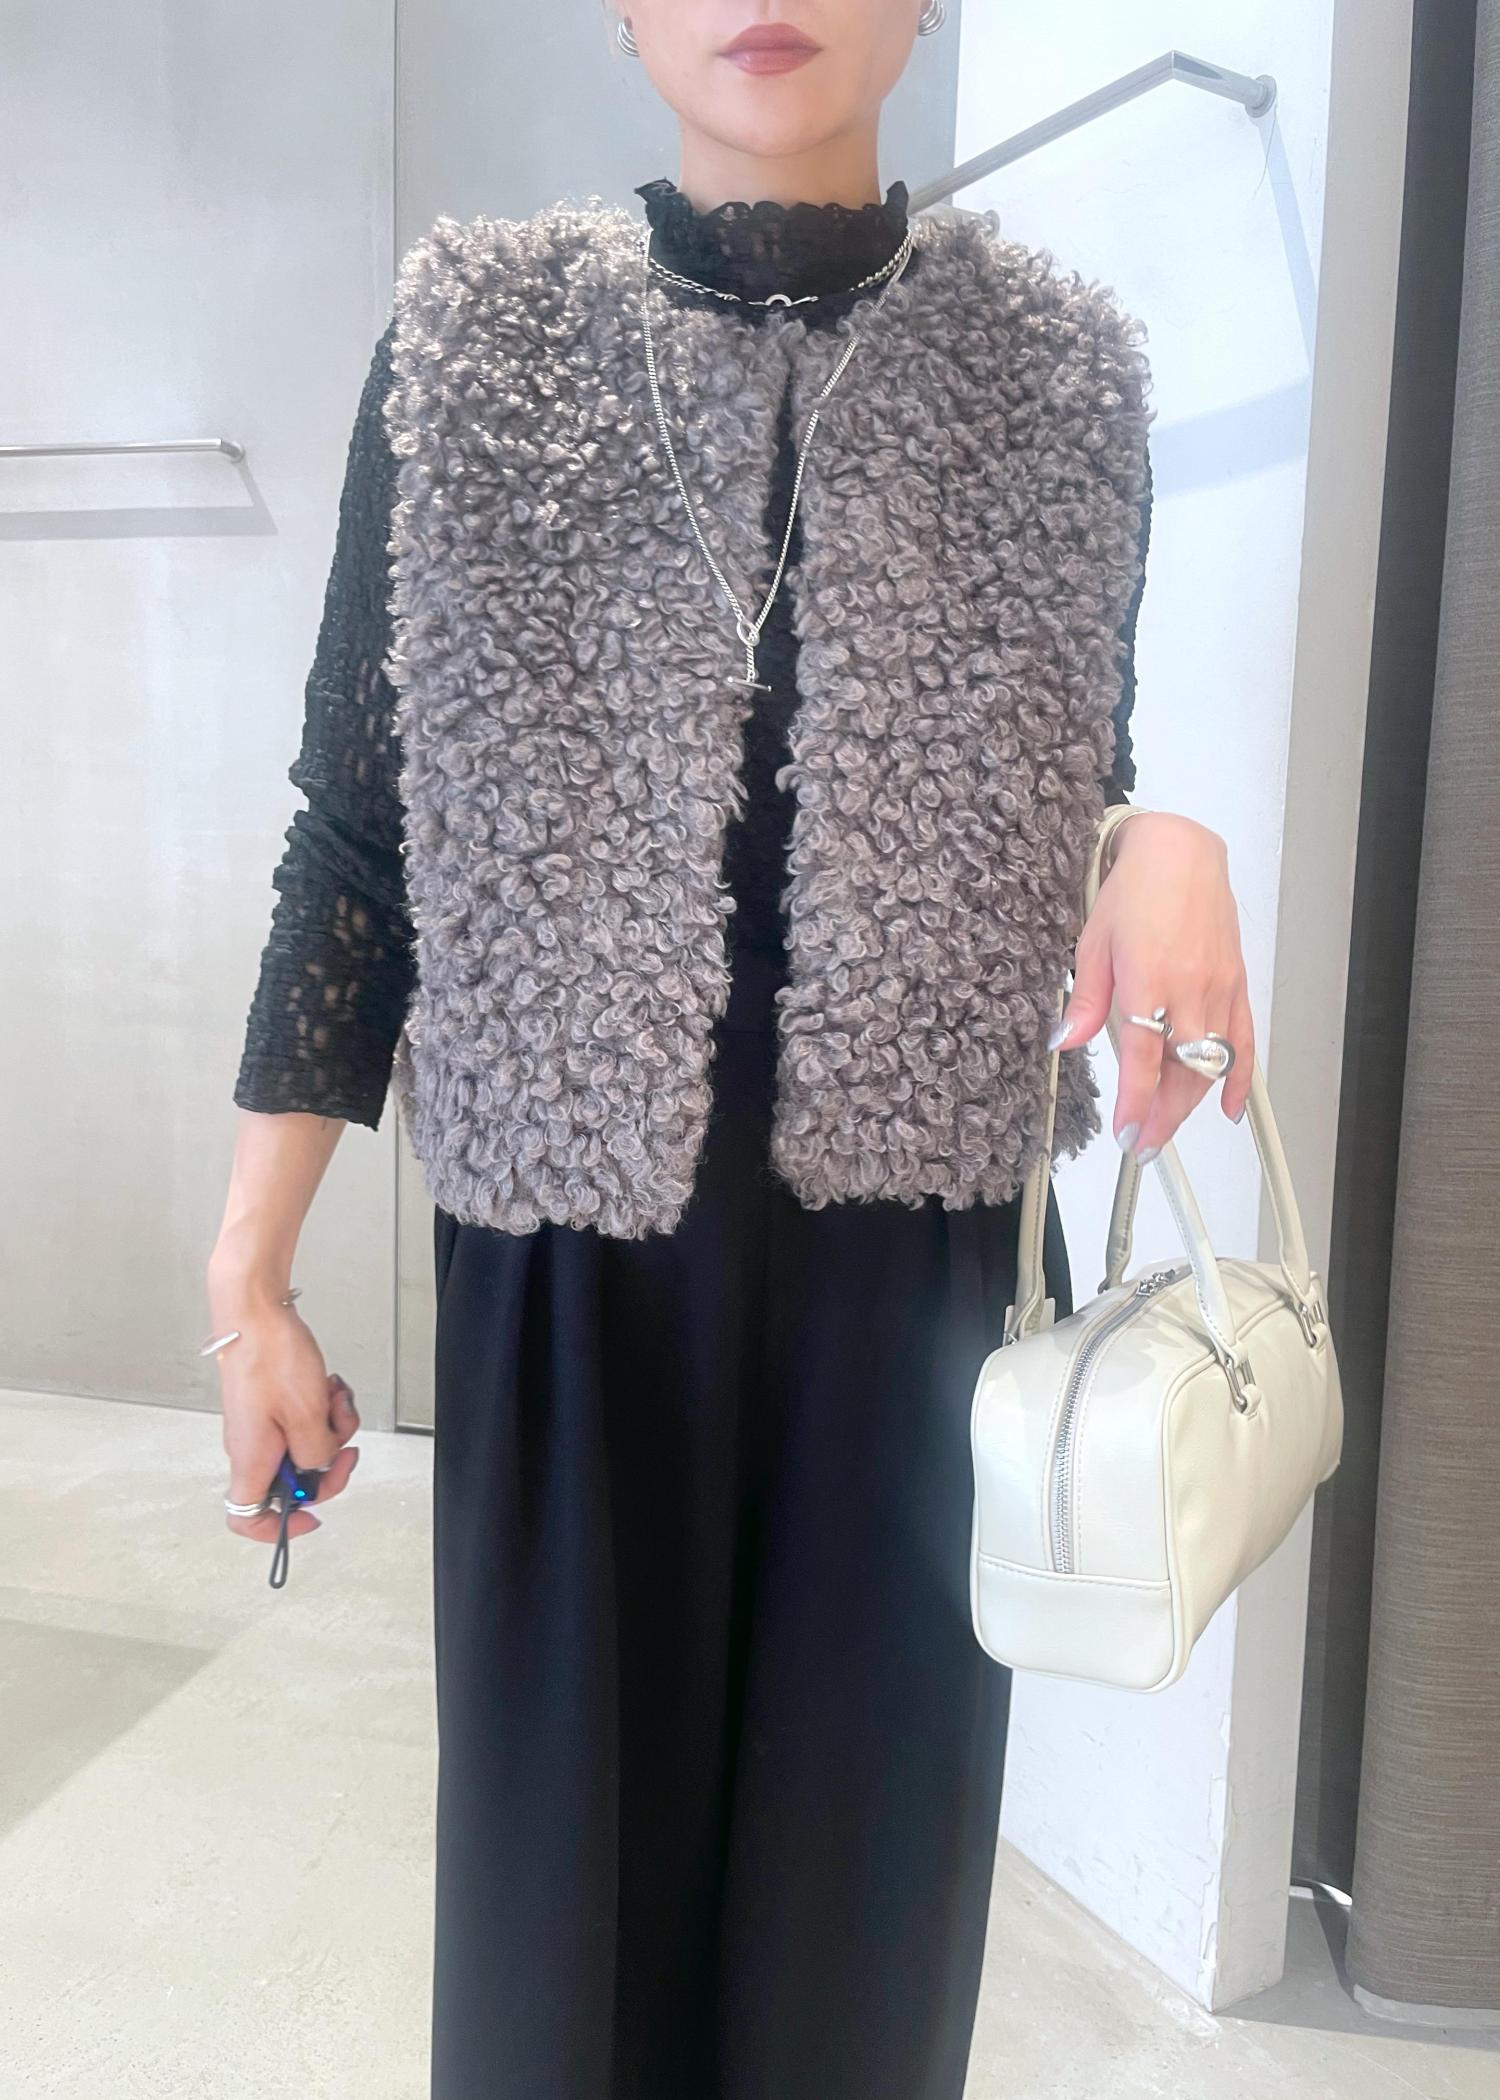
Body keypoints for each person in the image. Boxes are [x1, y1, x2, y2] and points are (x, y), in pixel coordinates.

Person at [206, 4, 1253, 2094]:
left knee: (858, 1975)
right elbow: (360, 833)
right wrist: (252, 1272)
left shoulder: (1057, 379)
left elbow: (1058, 781)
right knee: (554, 1988)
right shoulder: (476, 352)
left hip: (918, 1287)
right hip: (571, 1280)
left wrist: (1163, 840)